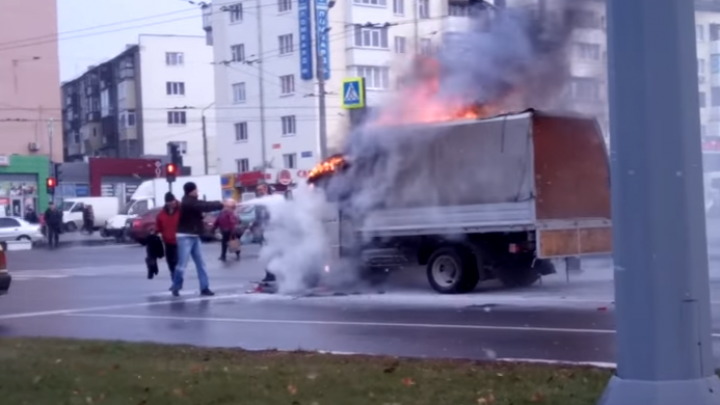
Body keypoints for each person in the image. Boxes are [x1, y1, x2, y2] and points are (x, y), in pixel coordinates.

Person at [171, 182, 224, 297]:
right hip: (185, 236)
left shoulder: (190, 202)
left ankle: (204, 288)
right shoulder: (188, 201)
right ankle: (176, 285)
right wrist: (220, 204)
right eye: (196, 189)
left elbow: (200, 210)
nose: (198, 191)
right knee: (182, 264)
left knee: (201, 264)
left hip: (194, 236)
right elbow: (204, 205)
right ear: (191, 191)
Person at [155, 192, 180, 288]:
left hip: (179, 241)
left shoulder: (181, 210)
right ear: (166, 203)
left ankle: (177, 282)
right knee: (171, 263)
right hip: (168, 242)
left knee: (178, 263)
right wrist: (155, 232)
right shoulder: (161, 214)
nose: (172, 203)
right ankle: (175, 281)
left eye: (173, 201)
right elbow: (158, 227)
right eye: (170, 202)